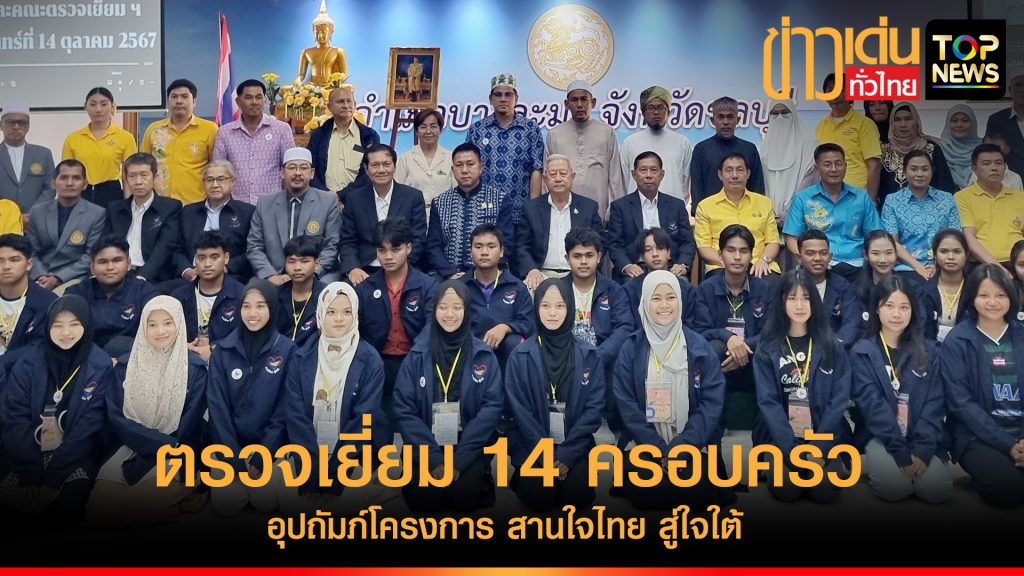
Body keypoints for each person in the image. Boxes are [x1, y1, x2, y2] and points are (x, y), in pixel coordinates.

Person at [86, 296, 208, 528]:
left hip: (176, 450)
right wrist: (152, 443)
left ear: (179, 324)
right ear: (143, 327)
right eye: (152, 324)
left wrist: (164, 447)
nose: (160, 331)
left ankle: (181, 498)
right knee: (97, 511)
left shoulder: (195, 370)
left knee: (139, 507)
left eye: (168, 323)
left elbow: (188, 425)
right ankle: (177, 507)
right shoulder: (126, 367)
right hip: (129, 446)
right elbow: (117, 418)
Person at [612, 270, 726, 510]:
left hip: (692, 446)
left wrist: (680, 449)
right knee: (647, 490)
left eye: (671, 297)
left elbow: (710, 406)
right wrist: (658, 449)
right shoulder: (631, 348)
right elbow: (627, 406)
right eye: (656, 298)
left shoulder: (699, 348)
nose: (664, 305)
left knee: (697, 490)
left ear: (680, 301)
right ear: (645, 303)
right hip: (644, 445)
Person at [393, 280, 503, 514]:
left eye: (457, 307)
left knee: (463, 496)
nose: (450, 314)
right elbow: (404, 409)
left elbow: (491, 408)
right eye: (443, 307)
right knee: (426, 499)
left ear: (467, 310)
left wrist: (459, 461)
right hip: (426, 445)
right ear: (434, 311)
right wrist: (433, 459)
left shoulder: (483, 355)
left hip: (466, 446)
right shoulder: (417, 355)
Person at [0, 295, 111, 525]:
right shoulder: (29, 361)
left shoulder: (99, 364)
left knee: (66, 510)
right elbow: (15, 417)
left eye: (74, 324)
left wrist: (53, 477)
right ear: (48, 326)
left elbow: (88, 427)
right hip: (25, 452)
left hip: (72, 456)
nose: (66, 333)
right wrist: (31, 473)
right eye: (57, 325)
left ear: (86, 324)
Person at [283, 282, 385, 511]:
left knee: (343, 508)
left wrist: (336, 478)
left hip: (353, 454)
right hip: (307, 450)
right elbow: (296, 417)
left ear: (355, 314)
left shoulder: (371, 360)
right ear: (320, 314)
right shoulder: (301, 357)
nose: (339, 319)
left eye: (347, 312)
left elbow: (362, 422)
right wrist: (310, 475)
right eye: (331, 312)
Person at [505, 278, 604, 512]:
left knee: (578, 496)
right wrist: (545, 455)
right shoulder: (520, 355)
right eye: (545, 305)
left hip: (574, 443)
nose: (552, 313)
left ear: (570, 308)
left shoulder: (589, 354)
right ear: (536, 308)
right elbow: (519, 413)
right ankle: (523, 476)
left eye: (560, 306)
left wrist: (567, 454)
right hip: (532, 444)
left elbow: (594, 408)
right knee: (540, 498)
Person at [753, 269, 851, 503]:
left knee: (824, 491)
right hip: (781, 438)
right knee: (788, 489)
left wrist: (819, 447)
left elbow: (838, 401)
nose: (799, 305)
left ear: (814, 302)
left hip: (824, 435)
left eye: (806, 298)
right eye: (792, 298)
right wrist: (791, 450)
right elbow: (768, 403)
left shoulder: (832, 346)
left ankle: (832, 460)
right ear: (781, 302)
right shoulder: (767, 347)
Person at [851, 275, 952, 503]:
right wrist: (899, 451)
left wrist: (923, 449)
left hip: (920, 436)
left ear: (913, 311)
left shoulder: (930, 352)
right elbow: (873, 409)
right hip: (882, 437)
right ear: (877, 309)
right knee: (895, 489)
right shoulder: (862, 352)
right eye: (889, 306)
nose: (896, 314)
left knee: (937, 491)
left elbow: (935, 403)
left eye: (904, 307)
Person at [207, 280, 295, 515]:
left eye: (260, 306)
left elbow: (284, 410)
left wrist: (263, 457)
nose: (252, 313)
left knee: (266, 503)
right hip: (230, 446)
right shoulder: (223, 350)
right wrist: (233, 459)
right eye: (246, 306)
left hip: (268, 447)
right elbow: (217, 408)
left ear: (272, 308)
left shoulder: (287, 350)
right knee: (227, 506)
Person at [942, 264, 1024, 506]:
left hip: (1021, 430)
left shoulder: (1021, 334)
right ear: (972, 297)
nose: (993, 302)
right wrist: (1009, 445)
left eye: (1000, 295)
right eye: (984, 295)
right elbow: (961, 403)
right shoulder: (958, 340)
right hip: (977, 436)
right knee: (1008, 490)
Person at [356, 218, 437, 431]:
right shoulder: (365, 289)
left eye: (395, 249)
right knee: (377, 422)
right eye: (382, 250)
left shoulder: (427, 285)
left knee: (415, 420)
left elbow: (431, 326)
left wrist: (416, 356)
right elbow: (358, 332)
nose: (388, 256)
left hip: (415, 359)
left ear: (409, 248)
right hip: (378, 361)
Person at [696, 225, 773, 431]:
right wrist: (728, 337)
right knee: (712, 349)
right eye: (731, 250)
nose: (737, 257)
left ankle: (764, 433)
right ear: (720, 254)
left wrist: (744, 347)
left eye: (743, 251)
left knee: (768, 352)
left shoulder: (765, 289)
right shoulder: (705, 289)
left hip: (754, 359)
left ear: (751, 255)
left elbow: (771, 332)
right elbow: (700, 331)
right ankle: (713, 433)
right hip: (721, 362)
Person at [782, 143, 884, 281]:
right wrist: (806, 260)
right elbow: (792, 238)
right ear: (817, 168)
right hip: (817, 264)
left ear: (845, 166)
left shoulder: (861, 198)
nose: (834, 169)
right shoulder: (803, 198)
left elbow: (876, 236)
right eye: (827, 164)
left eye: (838, 164)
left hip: (857, 264)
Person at [247, 147, 342, 284]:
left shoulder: (327, 201)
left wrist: (312, 272)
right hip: (275, 274)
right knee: (252, 291)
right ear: (282, 172)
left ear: (312, 173)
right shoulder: (265, 203)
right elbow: (254, 246)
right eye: (292, 168)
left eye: (303, 168)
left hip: (316, 274)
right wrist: (270, 275)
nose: (298, 173)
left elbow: (332, 245)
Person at [339, 144, 427, 285]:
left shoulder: (413, 197)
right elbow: (347, 241)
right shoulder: (354, 199)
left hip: (403, 269)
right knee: (342, 291)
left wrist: (399, 267)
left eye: (386, 164)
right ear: (366, 169)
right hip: (365, 270)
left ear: (394, 166)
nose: (381, 170)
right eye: (375, 165)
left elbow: (418, 239)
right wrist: (353, 268)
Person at [466, 73, 545, 226]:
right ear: (490, 99)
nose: (503, 99)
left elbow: (536, 169)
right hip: (483, 210)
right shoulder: (477, 130)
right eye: (498, 94)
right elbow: (469, 167)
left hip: (520, 212)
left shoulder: (530, 128)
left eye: (508, 94)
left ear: (516, 99)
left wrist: (533, 208)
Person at [426, 143, 514, 279]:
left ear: (481, 168)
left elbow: (506, 242)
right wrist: (450, 273)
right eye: (459, 165)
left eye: (470, 164)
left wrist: (481, 273)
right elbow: (433, 246)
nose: (464, 170)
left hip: (490, 274)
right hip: (449, 276)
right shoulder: (440, 202)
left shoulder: (500, 199)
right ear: (452, 170)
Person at [516, 154, 603, 290]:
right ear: (545, 179)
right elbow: (522, 245)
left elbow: (600, 243)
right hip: (541, 274)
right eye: (552, 174)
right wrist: (531, 269)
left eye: (563, 174)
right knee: (528, 292)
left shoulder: (588, 207)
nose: (558, 179)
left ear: (572, 176)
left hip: (580, 273)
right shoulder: (531, 208)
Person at [66, 235, 160, 358]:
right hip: (87, 361)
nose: (110, 267)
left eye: (117, 260)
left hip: (131, 360)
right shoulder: (76, 293)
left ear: (128, 264)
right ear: (92, 267)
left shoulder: (146, 293)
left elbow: (155, 339)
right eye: (102, 262)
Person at [545, 80, 626, 220]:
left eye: (584, 99)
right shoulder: (554, 135)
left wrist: (615, 214)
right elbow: (547, 179)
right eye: (574, 100)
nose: (579, 104)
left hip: (599, 214)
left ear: (593, 102)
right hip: (561, 213)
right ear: (566, 104)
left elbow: (615, 178)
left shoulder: (607, 133)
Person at [607, 151, 694, 280]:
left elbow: (687, 242)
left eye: (653, 170)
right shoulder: (620, 207)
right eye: (643, 170)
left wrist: (682, 264)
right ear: (634, 174)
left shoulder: (676, 205)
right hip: (636, 269)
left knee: (682, 284)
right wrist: (627, 266)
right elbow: (615, 245)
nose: (648, 175)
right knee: (630, 286)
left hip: (670, 268)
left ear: (662, 174)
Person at [695, 153, 781, 278]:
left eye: (740, 170)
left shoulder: (764, 203)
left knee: (771, 284)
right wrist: (729, 262)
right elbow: (703, 248)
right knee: (717, 286)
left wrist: (764, 260)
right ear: (720, 174)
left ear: (748, 173)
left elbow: (772, 242)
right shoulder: (705, 206)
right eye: (729, 170)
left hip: (759, 265)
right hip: (722, 266)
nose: (735, 175)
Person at [25, 159, 106, 290]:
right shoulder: (37, 212)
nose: (69, 183)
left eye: (76, 178)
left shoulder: (97, 214)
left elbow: (91, 255)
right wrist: (41, 275)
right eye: (63, 178)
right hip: (39, 277)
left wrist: (58, 278)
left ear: (85, 184)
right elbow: (31, 251)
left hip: (75, 279)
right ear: (53, 183)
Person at [212, 79, 296, 205]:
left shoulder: (281, 129)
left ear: (265, 100)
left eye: (259, 97)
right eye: (248, 97)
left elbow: (290, 167)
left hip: (272, 203)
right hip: (236, 204)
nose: (254, 102)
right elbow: (219, 170)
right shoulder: (225, 132)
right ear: (238, 101)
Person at [881, 149, 962, 280]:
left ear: (932, 171)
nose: (919, 174)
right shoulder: (893, 201)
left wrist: (937, 265)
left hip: (943, 266)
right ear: (905, 172)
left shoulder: (946, 199)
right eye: (914, 169)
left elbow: (955, 237)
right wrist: (918, 267)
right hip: (906, 268)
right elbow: (892, 242)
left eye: (925, 169)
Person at [104, 153, 183, 284]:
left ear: (155, 177)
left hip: (152, 277)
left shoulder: (170, 208)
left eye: (144, 175)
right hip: (117, 273)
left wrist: (143, 276)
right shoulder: (115, 209)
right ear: (126, 179)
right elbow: (105, 244)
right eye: (132, 176)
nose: (138, 182)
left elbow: (164, 248)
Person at [462, 224, 533, 365]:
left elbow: (528, 323)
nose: (484, 252)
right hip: (470, 352)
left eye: (491, 246)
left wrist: (506, 327)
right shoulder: (461, 287)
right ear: (470, 252)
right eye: (478, 247)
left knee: (515, 342)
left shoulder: (517, 287)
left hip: (506, 354)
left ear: (501, 252)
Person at [174, 160, 255, 285]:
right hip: (192, 276)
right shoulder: (188, 212)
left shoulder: (247, 212)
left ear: (233, 182)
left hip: (231, 277)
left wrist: (226, 268)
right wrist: (186, 270)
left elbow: (252, 250)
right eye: (210, 180)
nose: (215, 185)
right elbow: (177, 249)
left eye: (221, 179)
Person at [140, 79, 217, 205]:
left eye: (184, 97)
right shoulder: (154, 129)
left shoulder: (210, 129)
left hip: (195, 202)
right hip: (158, 202)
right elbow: (143, 165)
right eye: (174, 97)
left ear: (194, 101)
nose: (179, 101)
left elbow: (215, 167)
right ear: (168, 101)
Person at [170, 231, 244, 362]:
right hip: (187, 362)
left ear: (226, 258)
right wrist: (181, 347)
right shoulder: (178, 297)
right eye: (202, 258)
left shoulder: (242, 295)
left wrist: (214, 350)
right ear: (195, 260)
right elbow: (167, 335)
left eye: (214, 257)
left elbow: (245, 337)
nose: (207, 264)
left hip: (228, 363)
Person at [622, 227, 710, 332]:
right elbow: (627, 327)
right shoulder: (630, 289)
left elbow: (691, 325)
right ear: (642, 256)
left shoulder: (686, 289)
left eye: (660, 248)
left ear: (668, 252)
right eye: (648, 250)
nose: (655, 254)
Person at [61, 88, 137, 208]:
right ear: (85, 107)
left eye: (104, 104)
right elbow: (66, 173)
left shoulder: (125, 137)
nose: (98, 109)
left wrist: (129, 205)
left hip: (111, 193)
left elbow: (128, 176)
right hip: (80, 193)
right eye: (93, 104)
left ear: (112, 106)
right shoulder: (73, 138)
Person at [689, 96, 766, 214]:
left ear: (738, 120)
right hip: (711, 215)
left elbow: (757, 186)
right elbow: (697, 187)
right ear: (713, 120)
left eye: (730, 117)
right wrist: (698, 213)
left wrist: (758, 213)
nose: (725, 122)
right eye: (720, 117)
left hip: (745, 215)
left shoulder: (750, 149)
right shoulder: (701, 149)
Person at [814, 73, 881, 201]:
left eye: (841, 90)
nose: (835, 95)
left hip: (856, 196)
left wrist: (870, 202)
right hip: (826, 197)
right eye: (830, 90)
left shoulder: (865, 124)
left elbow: (874, 166)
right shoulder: (821, 125)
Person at [619, 85, 692, 202]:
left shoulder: (682, 142)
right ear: (643, 113)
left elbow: (686, 182)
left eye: (660, 108)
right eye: (651, 108)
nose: (656, 112)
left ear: (668, 112)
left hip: (673, 207)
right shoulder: (630, 142)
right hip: (637, 207)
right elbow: (624, 181)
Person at [955, 143, 1024, 266]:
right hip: (981, 265)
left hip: (1019, 264)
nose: (994, 168)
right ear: (974, 169)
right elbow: (969, 238)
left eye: (999, 163)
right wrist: (998, 268)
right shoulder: (962, 197)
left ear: (1005, 167)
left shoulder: (1020, 197)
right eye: (986, 163)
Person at [307, 85, 380, 199]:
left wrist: (341, 196)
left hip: (358, 200)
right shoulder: (319, 134)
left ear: (355, 105)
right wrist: (328, 196)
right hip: (323, 199)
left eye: (349, 101)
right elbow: (310, 169)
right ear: (329, 107)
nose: (346, 105)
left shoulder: (369, 136)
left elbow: (370, 172)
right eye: (340, 101)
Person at [878, 102, 957, 208]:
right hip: (889, 211)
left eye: (908, 119)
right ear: (892, 123)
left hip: (928, 210)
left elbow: (945, 185)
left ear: (916, 122)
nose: (903, 124)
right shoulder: (883, 151)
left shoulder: (931, 149)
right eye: (897, 120)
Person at [796, 229, 864, 347]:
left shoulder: (842, 286)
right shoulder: (788, 286)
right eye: (810, 253)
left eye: (823, 253)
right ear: (799, 257)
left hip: (834, 348)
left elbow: (852, 323)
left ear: (830, 256)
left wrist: (833, 346)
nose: (818, 258)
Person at [0, 234, 58, 366]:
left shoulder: (48, 303)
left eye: (14, 260)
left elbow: (39, 348)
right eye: (0, 261)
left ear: (29, 264)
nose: (6, 266)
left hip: (25, 370)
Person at [761, 99, 818, 228]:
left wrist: (791, 210)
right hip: (769, 220)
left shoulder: (809, 144)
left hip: (801, 216)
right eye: (774, 114)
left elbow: (810, 180)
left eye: (785, 112)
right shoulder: (765, 148)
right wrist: (768, 212)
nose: (780, 117)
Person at [395, 109, 455, 218]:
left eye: (433, 126)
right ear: (416, 131)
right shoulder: (406, 158)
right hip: (412, 216)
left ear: (440, 130)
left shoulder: (450, 157)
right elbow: (397, 192)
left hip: (444, 215)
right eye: (423, 127)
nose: (428, 131)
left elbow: (457, 191)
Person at [0, 101, 54, 214]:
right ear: (1, 125)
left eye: (22, 122)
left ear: (28, 126)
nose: (16, 127)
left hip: (36, 219)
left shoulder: (44, 154)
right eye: (11, 122)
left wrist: (33, 213)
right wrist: (10, 215)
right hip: (3, 219)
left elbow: (50, 188)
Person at [918, 229, 970, 343]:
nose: (950, 257)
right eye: (944, 251)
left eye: (957, 251)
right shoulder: (924, 291)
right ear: (935, 255)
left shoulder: (976, 290)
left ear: (966, 255)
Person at [277, 235, 327, 349]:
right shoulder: (275, 295)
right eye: (291, 261)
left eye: (304, 261)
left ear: (317, 264)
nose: (297, 267)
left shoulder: (327, 296)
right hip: (280, 354)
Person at [984, 71, 1024, 177]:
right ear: (1010, 90)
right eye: (1018, 85)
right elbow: (989, 152)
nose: (1022, 90)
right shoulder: (996, 120)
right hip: (1010, 181)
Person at [939, 104, 984, 191]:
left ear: (973, 123)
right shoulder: (939, 150)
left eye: (965, 121)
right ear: (948, 123)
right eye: (954, 121)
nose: (959, 125)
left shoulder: (983, 149)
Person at [856, 230, 900, 308]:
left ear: (896, 254)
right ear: (865, 255)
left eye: (889, 253)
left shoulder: (911, 287)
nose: (883, 260)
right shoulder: (856, 289)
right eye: (876, 253)